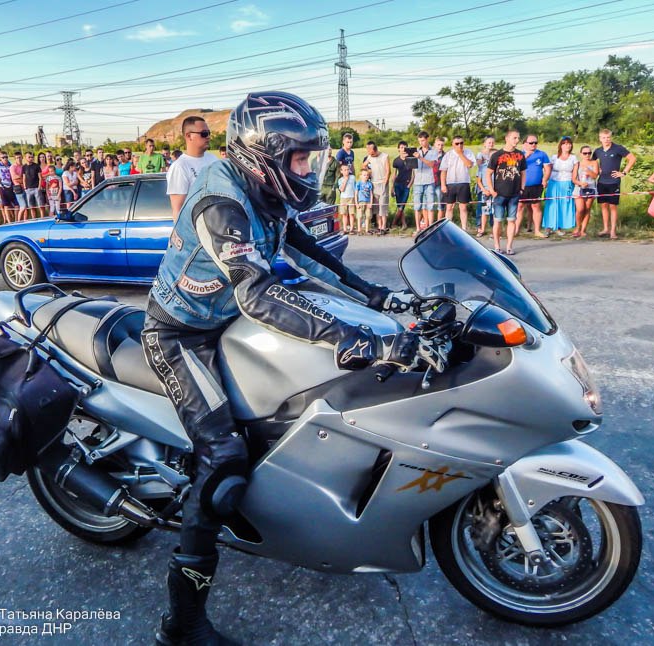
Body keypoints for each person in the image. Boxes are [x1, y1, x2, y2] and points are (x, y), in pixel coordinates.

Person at [142, 90, 416, 646]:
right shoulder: (223, 205)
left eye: (308, 157)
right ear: (262, 153)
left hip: (225, 322)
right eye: (297, 157)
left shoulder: (263, 191)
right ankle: (182, 625)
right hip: (181, 335)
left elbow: (306, 251)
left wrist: (378, 299)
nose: (306, 168)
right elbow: (258, 294)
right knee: (222, 463)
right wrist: (356, 338)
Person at [166, 115, 219, 220]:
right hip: (196, 230)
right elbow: (178, 209)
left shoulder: (213, 159)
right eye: (204, 133)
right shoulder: (180, 167)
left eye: (209, 133)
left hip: (217, 225)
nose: (208, 136)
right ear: (189, 136)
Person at [487, 129, 526, 256]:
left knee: (511, 220)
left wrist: (522, 188)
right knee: (498, 220)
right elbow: (488, 173)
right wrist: (492, 190)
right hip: (499, 193)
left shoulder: (520, 155)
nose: (517, 140)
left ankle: (509, 246)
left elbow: (523, 173)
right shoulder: (497, 155)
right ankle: (497, 246)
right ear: (507, 138)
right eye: (514, 138)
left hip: (514, 193)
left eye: (518, 138)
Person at [592, 129, 636, 239]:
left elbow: (632, 158)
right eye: (603, 138)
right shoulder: (598, 151)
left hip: (613, 182)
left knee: (613, 207)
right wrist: (597, 170)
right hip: (601, 181)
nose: (606, 140)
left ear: (611, 137)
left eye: (608, 137)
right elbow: (592, 162)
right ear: (600, 138)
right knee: (603, 206)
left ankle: (613, 231)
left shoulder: (618, 148)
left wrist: (624, 172)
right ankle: (605, 229)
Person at [515, 135, 551, 237]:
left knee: (536, 206)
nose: (534, 145)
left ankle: (537, 230)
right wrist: (525, 156)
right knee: (520, 206)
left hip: (536, 185)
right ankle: (516, 230)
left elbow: (547, 168)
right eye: (531, 143)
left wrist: (545, 179)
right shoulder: (518, 154)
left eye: (535, 142)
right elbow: (514, 167)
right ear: (524, 144)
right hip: (521, 185)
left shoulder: (542, 154)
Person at [542, 137, 578, 236]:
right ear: (561, 145)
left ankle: (558, 227)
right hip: (553, 183)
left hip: (567, 183)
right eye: (565, 143)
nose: (568, 145)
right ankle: (548, 227)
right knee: (552, 205)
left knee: (563, 205)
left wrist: (574, 183)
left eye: (569, 143)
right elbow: (547, 170)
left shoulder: (573, 158)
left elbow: (574, 174)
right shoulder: (554, 157)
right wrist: (545, 181)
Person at [439, 135, 476, 230]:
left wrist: (460, 154)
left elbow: (469, 164)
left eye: (461, 143)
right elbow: (443, 170)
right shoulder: (448, 155)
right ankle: (448, 228)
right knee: (449, 207)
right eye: (457, 143)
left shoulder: (468, 153)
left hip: (463, 183)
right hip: (450, 183)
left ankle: (464, 228)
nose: (459, 145)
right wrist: (443, 185)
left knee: (463, 207)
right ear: (452, 144)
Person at [412, 131, 440, 232]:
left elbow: (432, 164)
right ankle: (418, 228)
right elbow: (410, 166)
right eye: (419, 141)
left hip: (429, 181)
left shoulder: (434, 151)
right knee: (417, 206)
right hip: (418, 181)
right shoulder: (415, 151)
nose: (421, 143)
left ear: (428, 139)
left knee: (430, 205)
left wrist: (420, 158)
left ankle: (431, 228)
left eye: (423, 140)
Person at [572, 145, 599, 238]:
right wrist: (580, 183)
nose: (587, 155)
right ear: (581, 154)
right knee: (580, 209)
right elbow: (574, 179)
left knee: (587, 209)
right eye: (585, 153)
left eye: (589, 153)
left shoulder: (594, 163)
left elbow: (595, 176)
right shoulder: (577, 164)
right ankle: (577, 227)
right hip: (579, 189)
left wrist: (588, 170)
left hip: (591, 188)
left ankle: (583, 230)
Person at [363, 141, 390, 233]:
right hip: (373, 183)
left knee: (383, 206)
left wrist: (385, 183)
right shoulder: (369, 157)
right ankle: (379, 226)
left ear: (374, 150)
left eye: (369, 150)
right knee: (376, 207)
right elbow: (363, 165)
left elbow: (388, 171)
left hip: (382, 183)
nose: (368, 152)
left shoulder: (385, 156)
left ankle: (384, 226)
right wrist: (368, 172)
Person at [475, 135, 495, 237]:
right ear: (485, 143)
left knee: (494, 212)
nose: (491, 144)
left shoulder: (497, 168)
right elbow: (478, 179)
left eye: (492, 142)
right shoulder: (482, 164)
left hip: (494, 191)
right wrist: (484, 189)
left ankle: (494, 230)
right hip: (485, 191)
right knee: (484, 211)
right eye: (489, 142)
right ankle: (481, 229)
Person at [390, 140, 413, 230]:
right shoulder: (396, 160)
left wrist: (410, 185)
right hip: (397, 185)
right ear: (398, 149)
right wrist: (392, 188)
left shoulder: (411, 159)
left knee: (401, 206)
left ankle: (393, 223)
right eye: (401, 147)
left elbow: (413, 174)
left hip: (406, 185)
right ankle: (404, 224)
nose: (403, 149)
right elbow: (394, 175)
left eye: (405, 147)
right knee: (399, 206)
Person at [336, 162, 356, 233]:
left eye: (347, 169)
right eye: (344, 170)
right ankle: (344, 229)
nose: (346, 171)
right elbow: (342, 189)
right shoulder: (340, 180)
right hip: (343, 198)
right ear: (341, 171)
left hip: (351, 197)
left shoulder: (353, 178)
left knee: (351, 213)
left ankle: (351, 229)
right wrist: (346, 180)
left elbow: (355, 188)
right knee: (344, 214)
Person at [22, 151, 43, 218]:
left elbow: (40, 177)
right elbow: (24, 177)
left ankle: (42, 218)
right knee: (31, 206)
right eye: (29, 157)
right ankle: (34, 218)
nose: (31, 158)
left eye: (32, 157)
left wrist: (39, 187)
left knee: (40, 205)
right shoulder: (24, 167)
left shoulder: (36, 166)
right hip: (28, 189)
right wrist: (25, 186)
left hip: (36, 188)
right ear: (26, 158)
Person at [355, 168, 373, 235]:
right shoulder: (358, 183)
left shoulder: (369, 184)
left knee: (368, 216)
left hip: (367, 202)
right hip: (360, 202)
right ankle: (359, 230)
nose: (366, 176)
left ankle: (367, 230)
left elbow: (371, 194)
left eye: (367, 175)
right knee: (359, 216)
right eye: (364, 175)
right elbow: (356, 194)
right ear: (360, 176)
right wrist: (356, 203)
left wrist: (371, 203)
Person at [11, 151, 28, 222]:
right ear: (15, 159)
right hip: (18, 188)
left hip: (25, 187)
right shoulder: (13, 167)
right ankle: (18, 221)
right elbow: (14, 177)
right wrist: (23, 178)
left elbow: (27, 177)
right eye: (17, 158)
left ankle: (25, 221)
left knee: (26, 207)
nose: (19, 159)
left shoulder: (24, 166)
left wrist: (22, 178)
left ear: (22, 157)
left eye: (20, 157)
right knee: (22, 206)